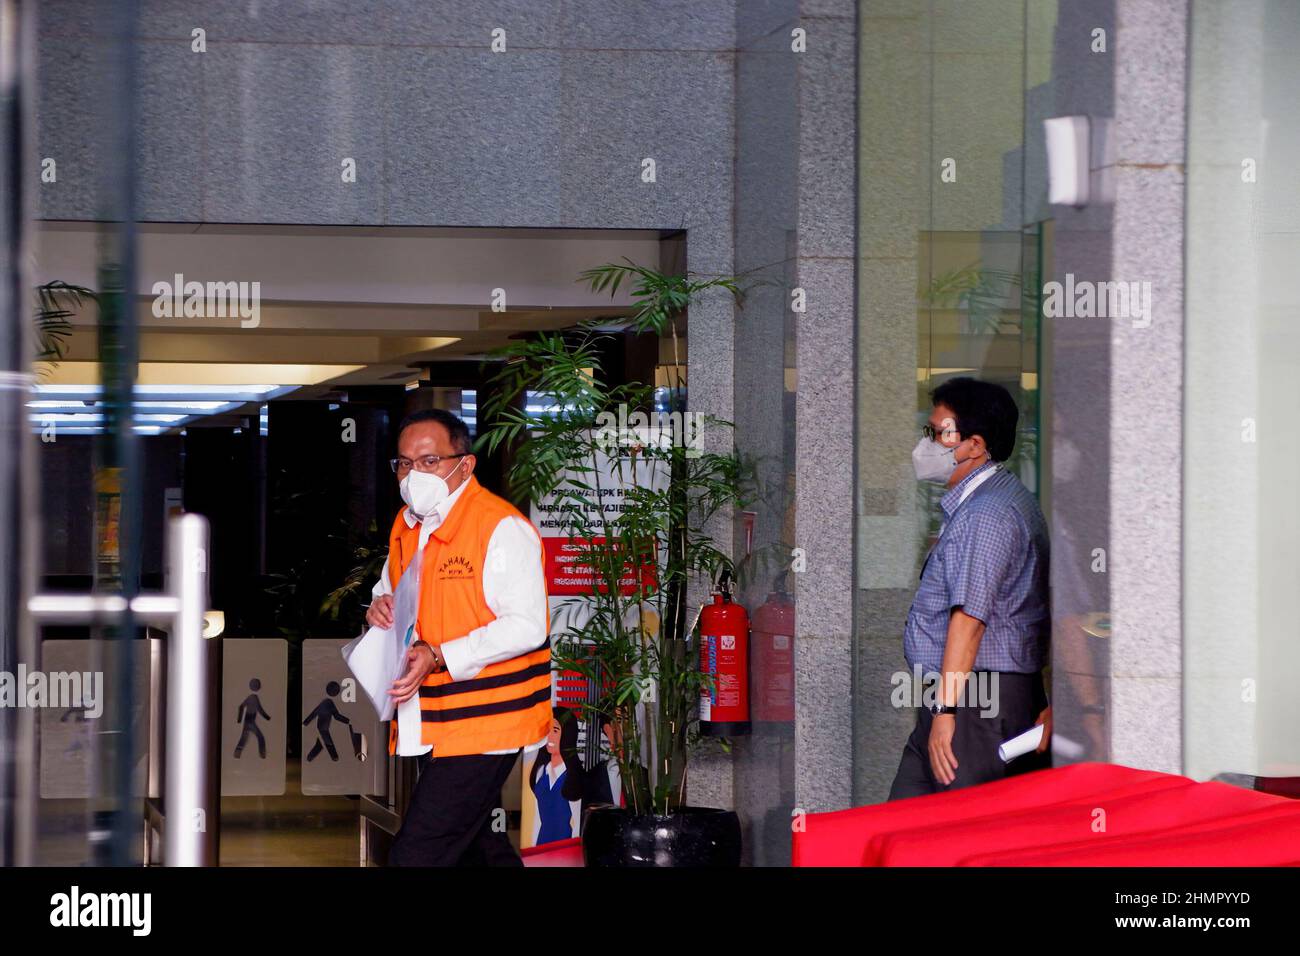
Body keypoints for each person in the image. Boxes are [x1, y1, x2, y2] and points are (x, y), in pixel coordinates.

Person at [370, 408, 552, 865]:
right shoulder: (408, 525)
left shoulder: (500, 528)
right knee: (478, 848)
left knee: (417, 854)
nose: (414, 474)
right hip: (435, 715)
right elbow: (390, 586)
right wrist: (379, 605)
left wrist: (438, 654)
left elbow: (528, 625)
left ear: (464, 465)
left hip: (486, 721)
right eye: (405, 464)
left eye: (429, 461)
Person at [887, 377, 1051, 801]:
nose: (926, 445)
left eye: (938, 432)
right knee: (903, 824)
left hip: (974, 703)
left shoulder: (988, 513)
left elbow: (972, 619)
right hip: (963, 695)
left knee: (954, 829)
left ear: (974, 445)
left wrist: (946, 710)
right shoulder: (993, 500)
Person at [528, 707, 580, 845]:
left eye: (555, 730)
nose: (549, 736)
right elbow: (537, 820)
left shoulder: (573, 776)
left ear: (567, 734)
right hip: (541, 844)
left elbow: (577, 823)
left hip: (564, 847)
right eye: (547, 730)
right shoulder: (540, 772)